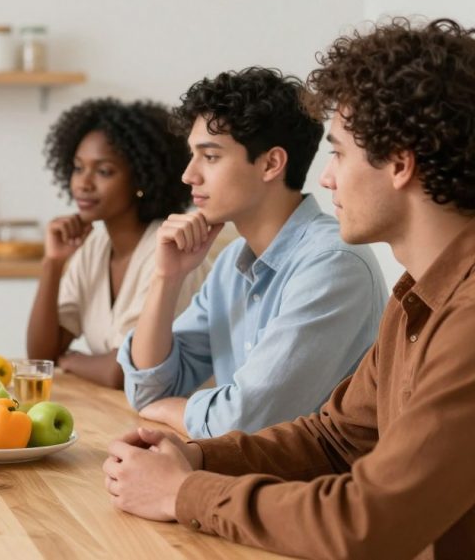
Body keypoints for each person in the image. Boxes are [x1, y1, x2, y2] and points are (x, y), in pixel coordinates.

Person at [104, 18, 475, 559]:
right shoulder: (415, 299)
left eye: (340, 153)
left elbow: (367, 522)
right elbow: (334, 438)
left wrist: (184, 492)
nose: (326, 178)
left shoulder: (465, 319)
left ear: (399, 163)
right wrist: (199, 459)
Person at [119, 67, 387, 438]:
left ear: (271, 164)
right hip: (252, 479)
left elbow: (246, 422)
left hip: (313, 490)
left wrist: (173, 408)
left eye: (209, 157)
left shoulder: (333, 264)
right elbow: (145, 389)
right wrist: (167, 277)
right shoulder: (232, 263)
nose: (188, 175)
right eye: (192, 156)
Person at [27, 98, 209, 388]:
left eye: (103, 171)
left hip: (182, 419)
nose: (83, 183)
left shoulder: (170, 249)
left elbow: (124, 371)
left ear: (141, 178)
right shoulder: (94, 245)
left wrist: (71, 361)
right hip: (119, 411)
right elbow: (40, 356)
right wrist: (53, 263)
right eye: (77, 167)